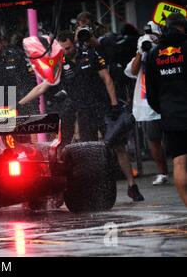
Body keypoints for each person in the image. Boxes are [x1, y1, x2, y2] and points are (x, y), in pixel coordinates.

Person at [20, 30, 144, 202]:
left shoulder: (90, 54)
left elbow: (107, 79)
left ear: (74, 43)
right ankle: (94, 190)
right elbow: (42, 87)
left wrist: (114, 105)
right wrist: (20, 103)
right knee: (88, 153)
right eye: (62, 48)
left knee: (118, 147)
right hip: (82, 113)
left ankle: (132, 186)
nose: (66, 51)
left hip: (102, 107)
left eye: (68, 47)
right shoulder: (59, 63)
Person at [146, 13, 187, 207]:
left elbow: (151, 90)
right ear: (182, 27)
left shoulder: (155, 53)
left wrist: (163, 109)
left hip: (171, 115)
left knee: (179, 162)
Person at [124, 22, 169, 185]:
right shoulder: (142, 52)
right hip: (149, 105)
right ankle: (163, 172)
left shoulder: (167, 49)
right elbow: (133, 71)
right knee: (153, 138)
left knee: (175, 137)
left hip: (168, 100)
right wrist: (140, 51)